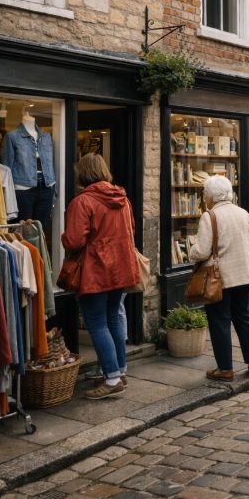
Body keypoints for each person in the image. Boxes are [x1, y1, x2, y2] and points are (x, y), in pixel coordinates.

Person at [62, 154, 139, 399]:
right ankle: (119, 371)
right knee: (113, 320)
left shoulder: (82, 201)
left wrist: (63, 239)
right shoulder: (123, 199)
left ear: (82, 173)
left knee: (97, 324)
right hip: (122, 268)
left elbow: (74, 240)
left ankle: (113, 378)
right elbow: (132, 230)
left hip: (95, 270)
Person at [189, 176, 249, 382]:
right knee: (244, 318)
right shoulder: (244, 213)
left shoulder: (209, 216)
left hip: (220, 279)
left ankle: (225, 369)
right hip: (245, 275)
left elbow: (202, 251)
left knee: (220, 322)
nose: (204, 197)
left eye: (205, 193)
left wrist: (191, 251)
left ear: (212, 195)